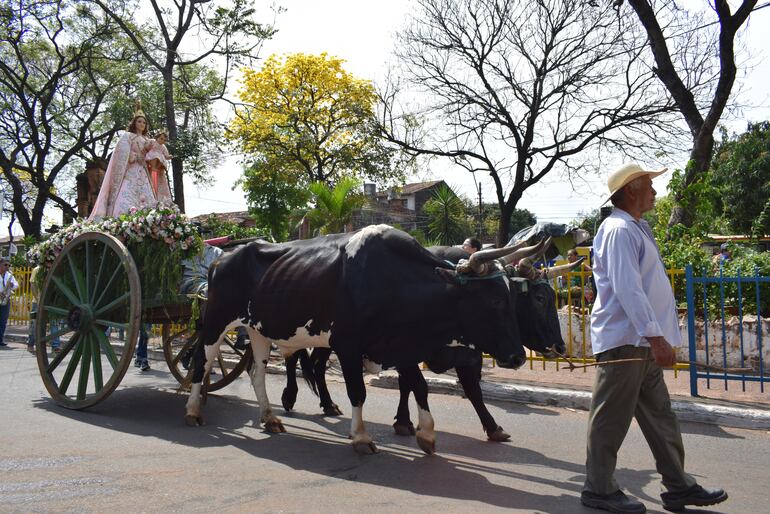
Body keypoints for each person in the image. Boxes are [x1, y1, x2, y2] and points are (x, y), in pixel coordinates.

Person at [581, 163, 727, 513]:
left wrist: (657, 337)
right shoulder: (618, 229)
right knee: (610, 420)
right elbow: (628, 290)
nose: (655, 191)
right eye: (649, 184)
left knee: (661, 416)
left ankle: (678, 486)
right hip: (626, 342)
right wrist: (656, 337)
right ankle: (599, 490)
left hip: (642, 343)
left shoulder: (637, 227)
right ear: (631, 189)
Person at [89, 100, 172, 220]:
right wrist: (132, 156)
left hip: (144, 172)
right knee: (127, 197)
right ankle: (123, 220)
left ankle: (148, 221)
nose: (142, 124)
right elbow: (121, 152)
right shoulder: (128, 136)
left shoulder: (148, 140)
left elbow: (157, 151)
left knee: (149, 200)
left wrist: (157, 159)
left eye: (144, 122)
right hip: (131, 170)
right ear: (134, 123)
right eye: (139, 121)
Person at [27, 265, 61, 353]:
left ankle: (55, 345)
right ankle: (31, 343)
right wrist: (38, 299)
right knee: (35, 324)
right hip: (38, 301)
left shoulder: (56, 269)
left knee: (54, 323)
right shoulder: (37, 270)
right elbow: (32, 284)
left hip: (52, 302)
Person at [145, 129, 173, 197]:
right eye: (161, 139)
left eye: (164, 140)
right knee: (156, 156)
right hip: (152, 156)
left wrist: (169, 156)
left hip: (159, 159)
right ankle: (153, 166)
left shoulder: (163, 147)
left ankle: (158, 167)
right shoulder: (153, 141)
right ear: (157, 137)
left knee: (162, 160)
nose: (162, 141)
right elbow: (147, 145)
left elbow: (166, 155)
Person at [0, 259, 19, 347]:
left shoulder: (9, 275)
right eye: (5, 265)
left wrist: (12, 285)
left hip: (6, 300)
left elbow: (16, 285)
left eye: (8, 265)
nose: (7, 267)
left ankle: (0, 339)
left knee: (3, 321)